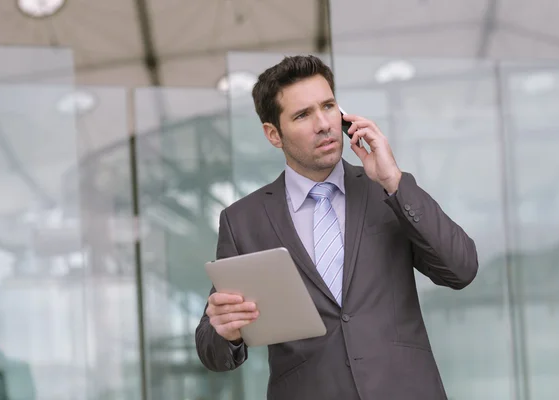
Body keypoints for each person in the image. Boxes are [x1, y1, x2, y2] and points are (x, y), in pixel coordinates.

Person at [194, 55, 478, 400]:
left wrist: (393, 181)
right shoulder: (243, 220)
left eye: (328, 106)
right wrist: (228, 332)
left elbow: (461, 269)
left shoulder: (387, 191)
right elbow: (214, 350)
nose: (323, 123)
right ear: (273, 134)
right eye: (302, 115)